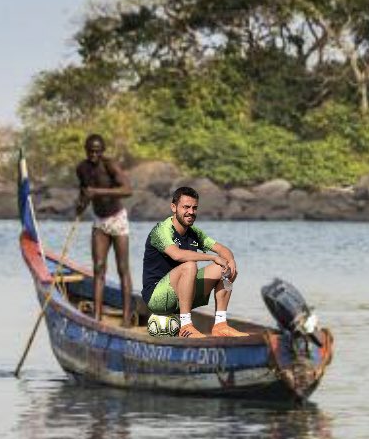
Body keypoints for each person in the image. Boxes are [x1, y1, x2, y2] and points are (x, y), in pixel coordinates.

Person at [141, 186, 249, 338]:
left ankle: (220, 324)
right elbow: (177, 255)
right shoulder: (161, 230)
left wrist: (230, 261)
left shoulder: (194, 233)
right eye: (186, 207)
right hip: (157, 297)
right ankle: (186, 326)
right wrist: (212, 258)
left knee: (225, 268)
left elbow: (222, 249)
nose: (191, 212)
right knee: (189, 265)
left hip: (183, 294)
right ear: (173, 207)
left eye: (194, 208)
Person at [75, 134, 133, 326]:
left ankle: (126, 319)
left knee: (122, 269)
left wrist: (98, 192)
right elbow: (84, 193)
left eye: (97, 151)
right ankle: (97, 316)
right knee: (98, 268)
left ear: (102, 151)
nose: (93, 155)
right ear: (85, 150)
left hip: (117, 219)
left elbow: (127, 190)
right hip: (99, 221)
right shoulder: (81, 168)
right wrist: (81, 204)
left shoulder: (110, 165)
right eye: (90, 151)